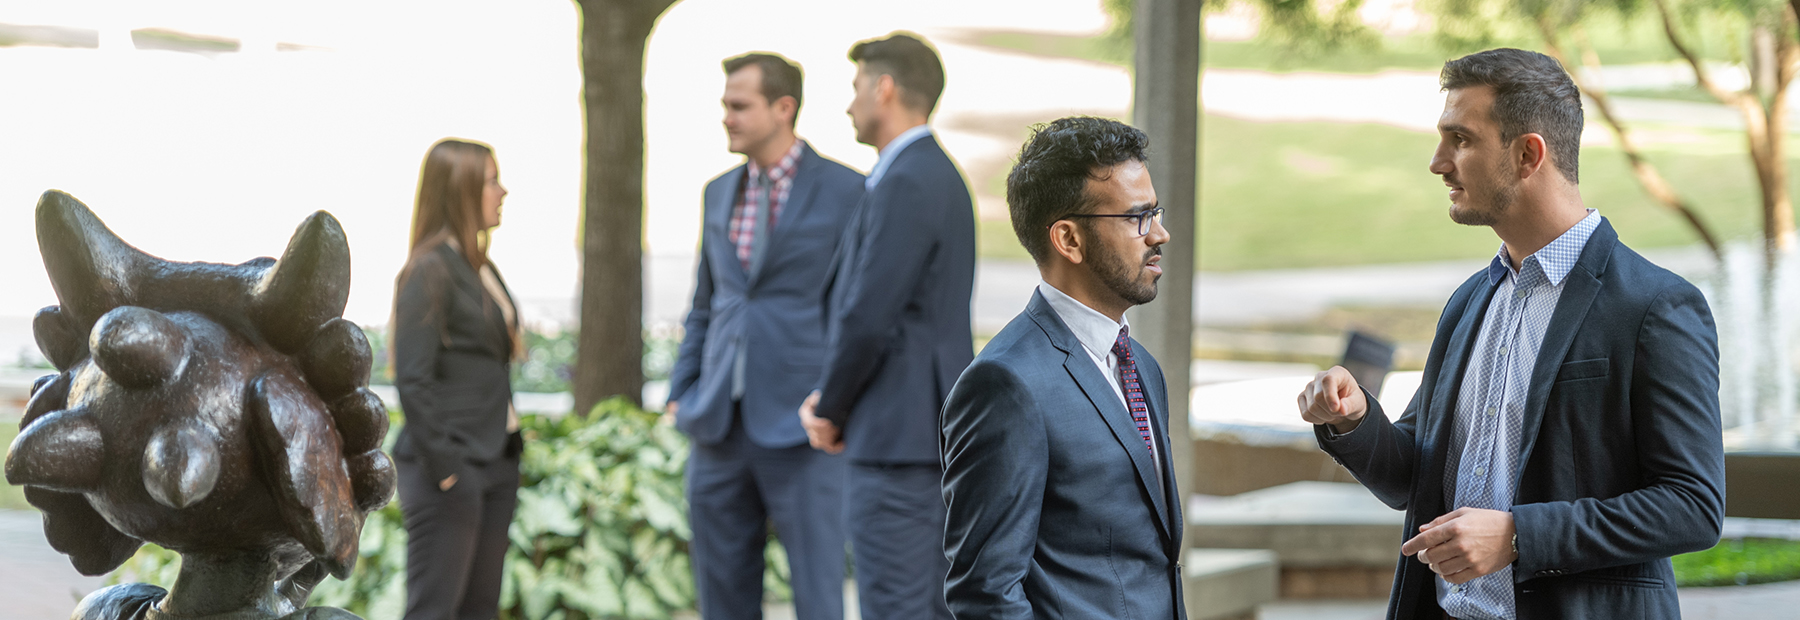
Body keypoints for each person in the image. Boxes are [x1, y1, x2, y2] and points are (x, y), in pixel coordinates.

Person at [1296, 48, 1724, 620]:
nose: (1438, 163)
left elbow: (1692, 506)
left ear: (1528, 154)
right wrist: (1354, 420)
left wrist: (1519, 535)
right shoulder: (1470, 301)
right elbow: (1416, 480)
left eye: (1461, 140)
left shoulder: (1656, 305)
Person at [940, 117, 1185, 618]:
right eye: (1138, 217)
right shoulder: (1004, 385)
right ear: (1068, 240)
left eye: (1155, 211)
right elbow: (986, 593)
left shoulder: (1142, 367)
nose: (1160, 233)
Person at [665, 52, 865, 620]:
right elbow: (707, 302)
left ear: (784, 108)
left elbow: (859, 309)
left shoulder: (849, 191)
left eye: (739, 105)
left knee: (817, 596)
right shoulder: (717, 191)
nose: (726, 117)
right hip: (717, 425)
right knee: (722, 597)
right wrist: (683, 390)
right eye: (725, 105)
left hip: (804, 427)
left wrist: (837, 399)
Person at [797, 32, 974, 620]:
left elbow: (870, 314)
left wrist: (830, 407)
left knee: (896, 606)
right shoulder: (934, 174)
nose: (849, 105)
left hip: (896, 439)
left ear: (885, 88)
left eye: (855, 89)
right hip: (923, 434)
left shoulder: (906, 178)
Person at [390, 138, 525, 620]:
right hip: (450, 467)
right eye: (491, 181)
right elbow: (412, 378)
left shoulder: (479, 266)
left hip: (494, 459)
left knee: (479, 609)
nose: (502, 191)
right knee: (434, 609)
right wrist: (448, 469)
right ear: (461, 191)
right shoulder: (429, 269)